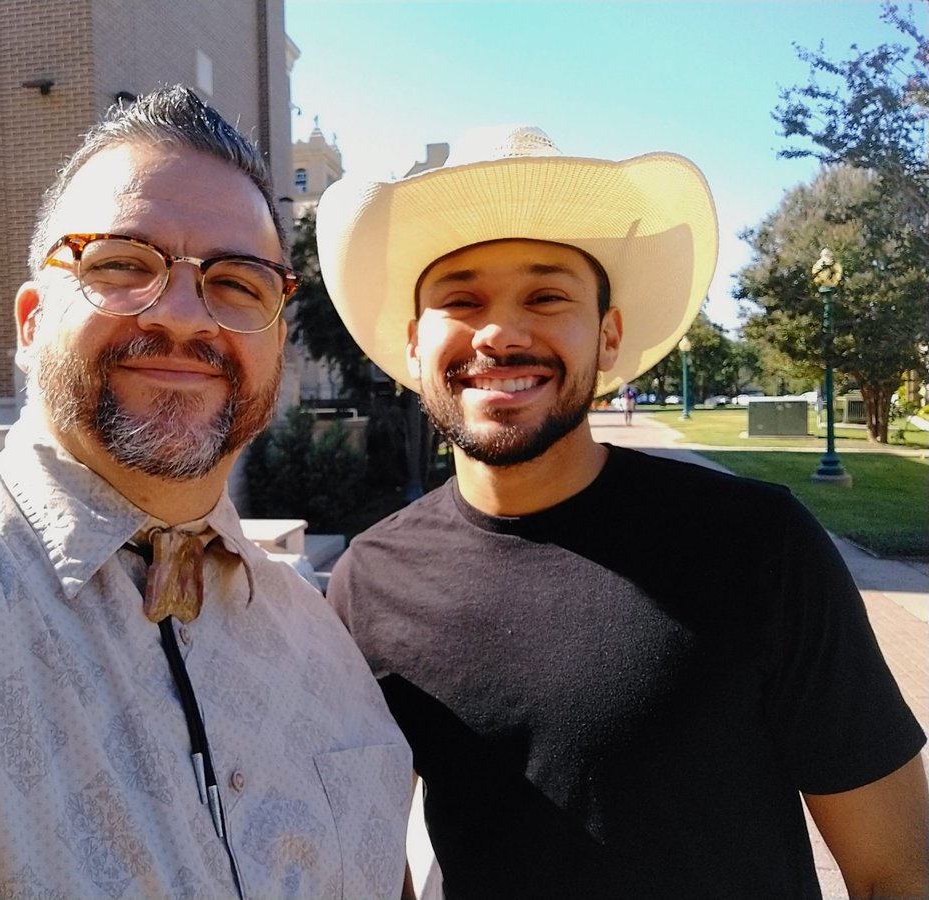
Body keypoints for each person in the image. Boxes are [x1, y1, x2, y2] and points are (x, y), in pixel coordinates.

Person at [0, 86, 412, 899]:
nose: (188, 315)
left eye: (239, 283)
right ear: (29, 322)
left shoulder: (323, 644)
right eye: (121, 264)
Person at [314, 125, 928, 898]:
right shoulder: (367, 583)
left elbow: (896, 870)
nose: (500, 332)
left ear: (608, 336)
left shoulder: (757, 547)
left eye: (547, 296)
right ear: (413, 346)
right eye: (461, 299)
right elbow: (366, 857)